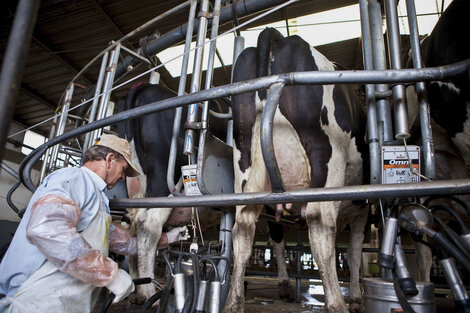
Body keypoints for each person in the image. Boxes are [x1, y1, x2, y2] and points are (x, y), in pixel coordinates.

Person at [0, 134, 188, 313]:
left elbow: (124, 243)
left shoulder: (98, 200)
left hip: (59, 302)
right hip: (33, 301)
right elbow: (47, 229)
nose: (123, 177)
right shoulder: (74, 178)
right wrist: (109, 273)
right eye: (123, 170)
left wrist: (166, 238)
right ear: (109, 159)